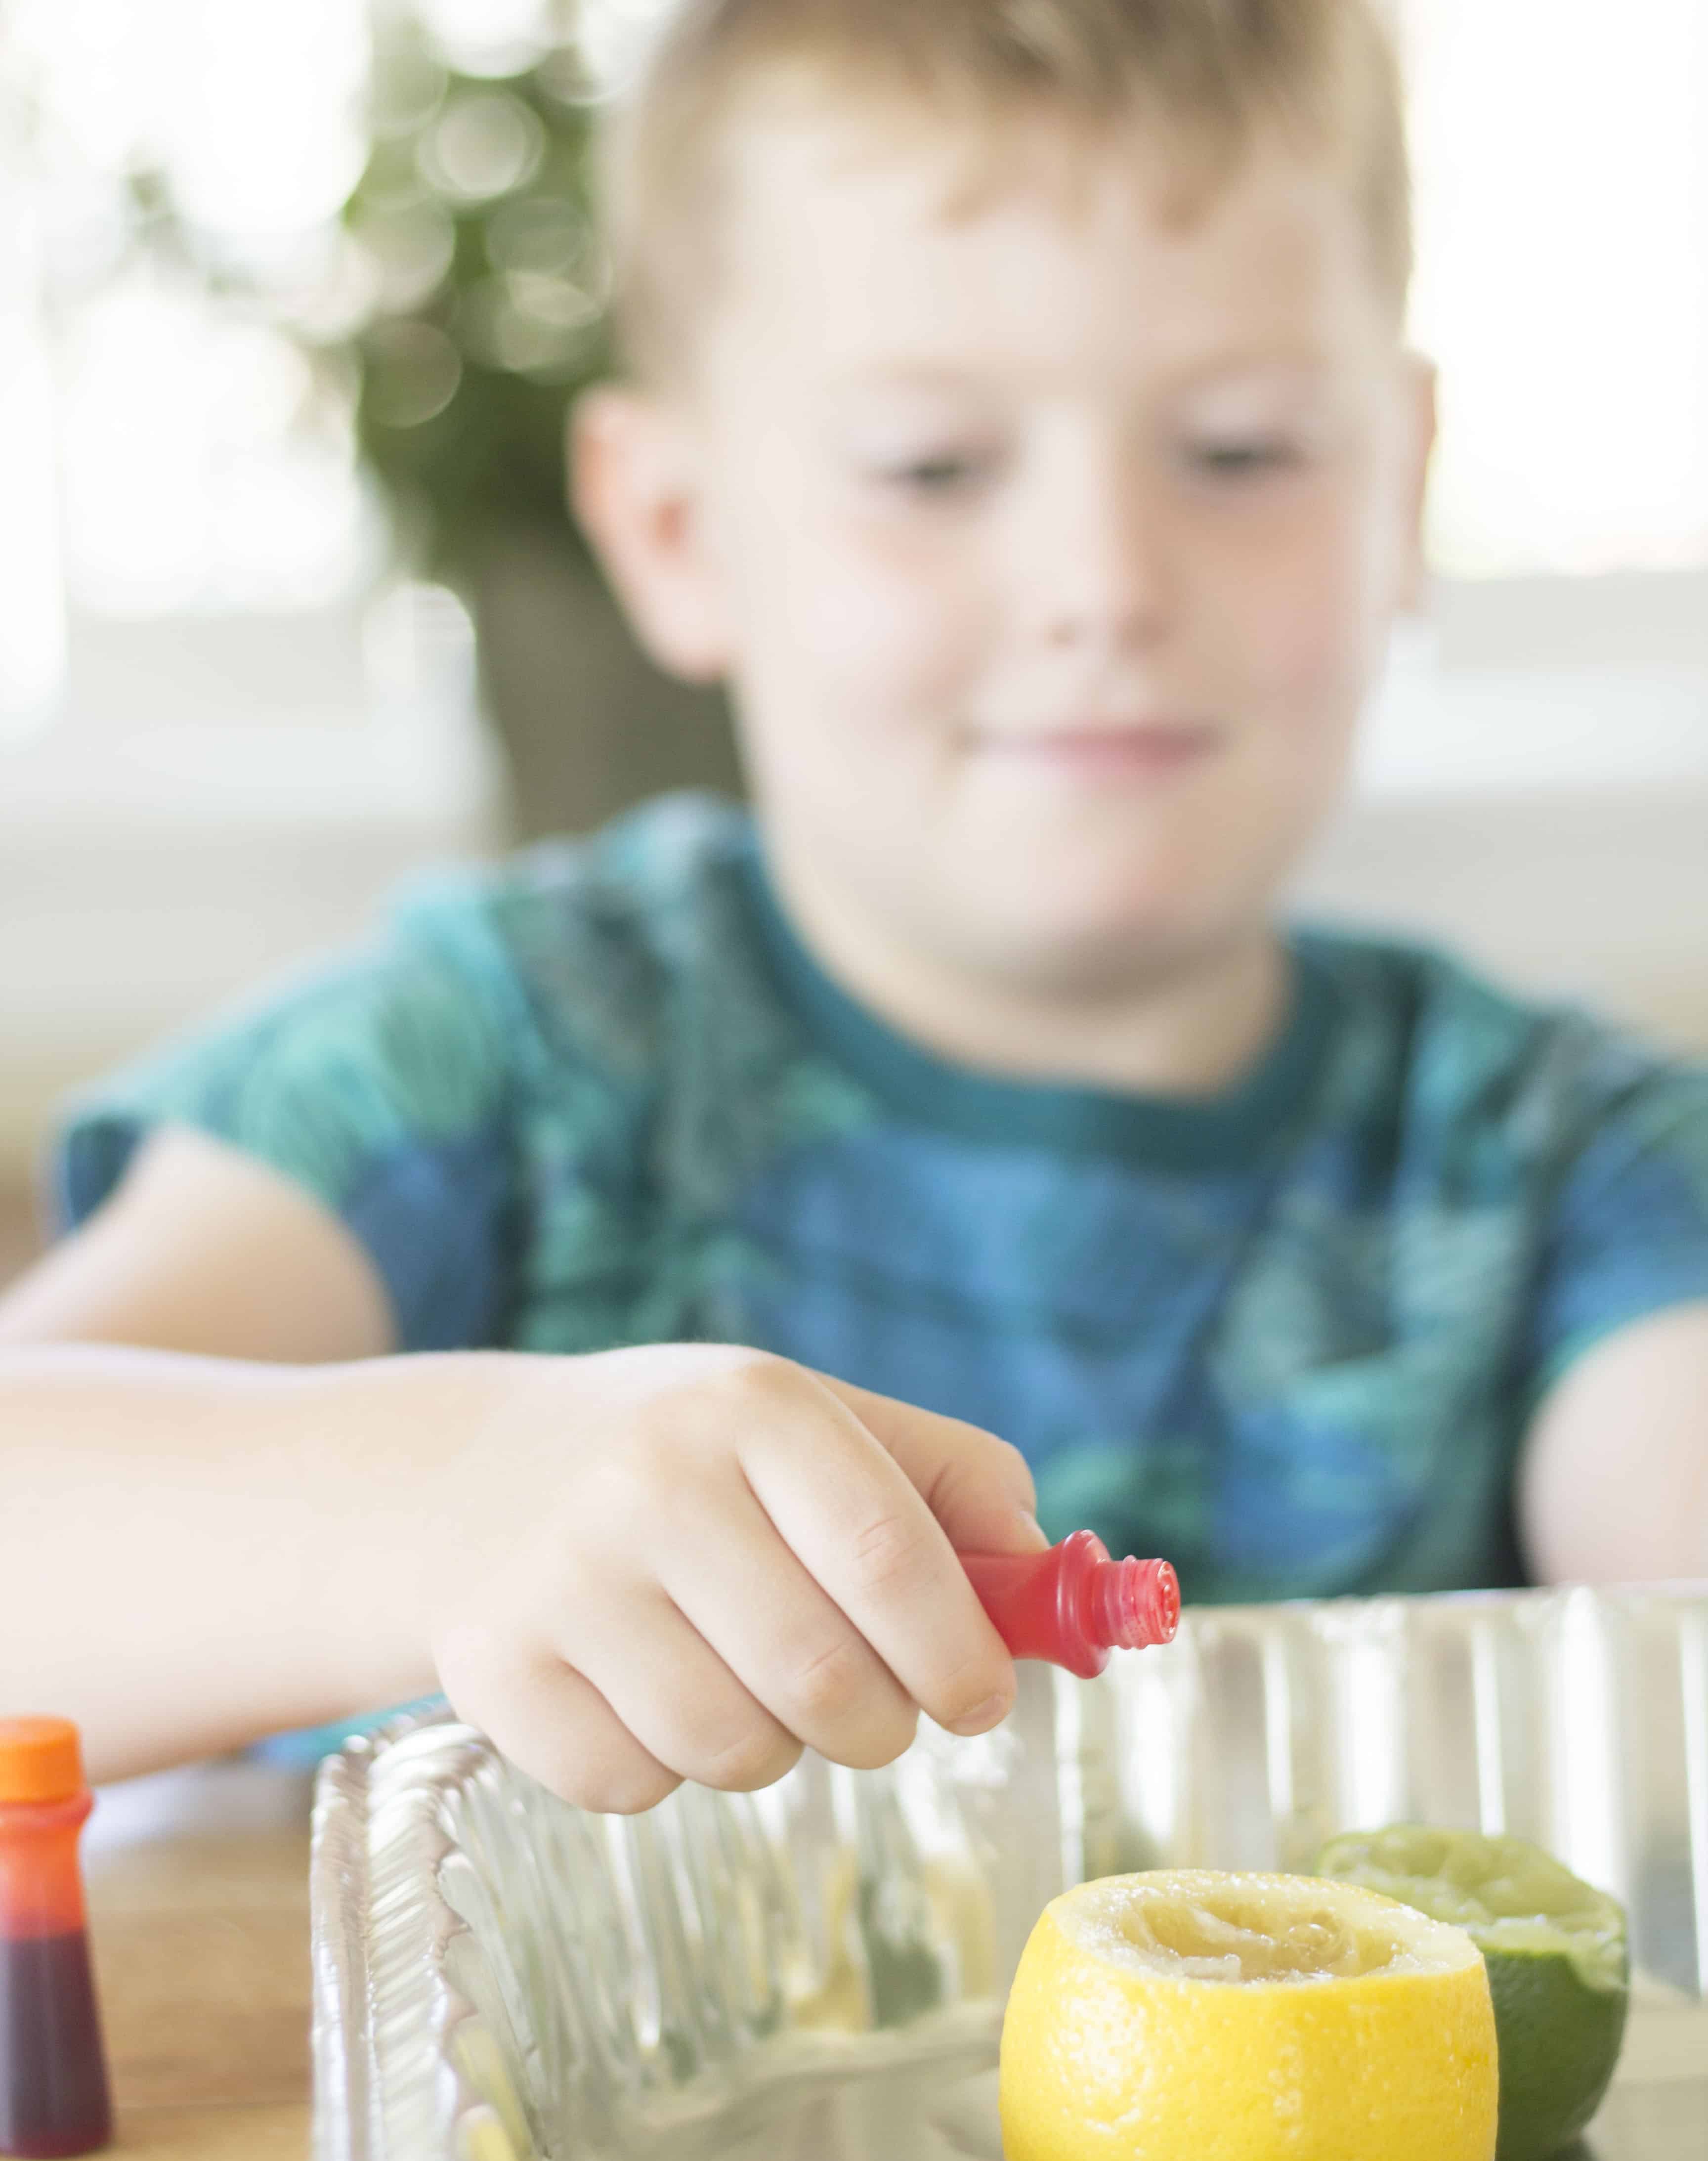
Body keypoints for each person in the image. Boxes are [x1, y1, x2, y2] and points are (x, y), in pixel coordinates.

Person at [4, 0, 1708, 1805]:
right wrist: (445, 1497)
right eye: (929, 470)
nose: (1104, 584)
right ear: (675, 529)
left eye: (1240, 450)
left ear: (1405, 486)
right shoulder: (491, 1051)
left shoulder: (1569, 1165)